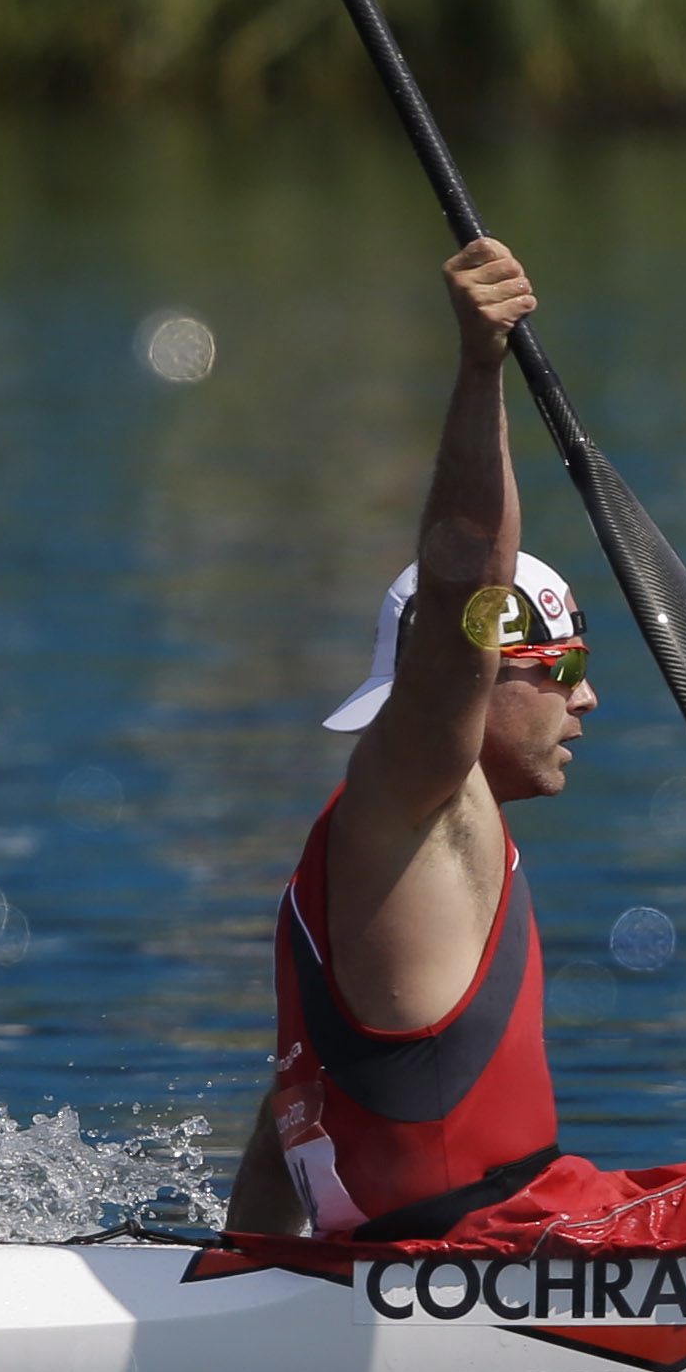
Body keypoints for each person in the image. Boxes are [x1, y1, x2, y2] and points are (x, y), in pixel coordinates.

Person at [227, 237, 595, 1240]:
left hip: (446, 1252)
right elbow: (468, 579)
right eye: (562, 665)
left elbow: (288, 1121)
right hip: (483, 1253)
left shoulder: (376, 856)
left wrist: (247, 1268)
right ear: (480, 671)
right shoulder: (417, 786)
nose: (588, 698)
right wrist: (480, 369)